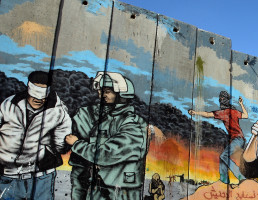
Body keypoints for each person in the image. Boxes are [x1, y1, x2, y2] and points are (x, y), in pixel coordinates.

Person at [66, 72, 147, 200]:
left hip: (121, 191)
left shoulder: (134, 124)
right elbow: (82, 164)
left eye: (107, 91)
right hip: (98, 187)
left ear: (121, 94)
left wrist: (77, 144)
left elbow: (108, 154)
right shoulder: (100, 119)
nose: (102, 95)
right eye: (100, 91)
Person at [0, 71, 71, 199]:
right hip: (7, 175)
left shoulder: (58, 111)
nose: (38, 100)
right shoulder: (9, 105)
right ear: (29, 88)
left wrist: (49, 151)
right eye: (35, 95)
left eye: (42, 96)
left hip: (40, 176)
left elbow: (61, 143)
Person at [188, 91, 248, 184]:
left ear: (223, 100)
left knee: (224, 156)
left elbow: (207, 114)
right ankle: (224, 181)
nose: (220, 100)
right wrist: (241, 104)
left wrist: (195, 112)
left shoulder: (223, 113)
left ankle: (241, 177)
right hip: (239, 140)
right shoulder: (234, 112)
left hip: (238, 140)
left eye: (222, 99)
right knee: (222, 158)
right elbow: (246, 115)